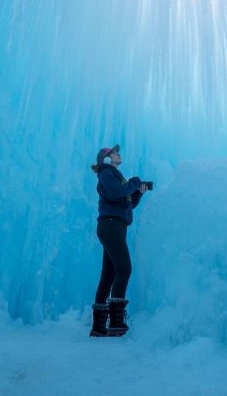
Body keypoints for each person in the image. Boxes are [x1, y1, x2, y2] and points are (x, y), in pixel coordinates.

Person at [89, 144, 148, 337]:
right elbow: (116, 193)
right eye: (114, 152)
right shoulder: (106, 173)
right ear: (106, 159)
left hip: (115, 226)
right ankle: (115, 322)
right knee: (124, 269)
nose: (118, 153)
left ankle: (98, 327)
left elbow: (126, 203)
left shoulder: (116, 177)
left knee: (108, 275)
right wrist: (134, 182)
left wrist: (138, 191)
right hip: (111, 226)